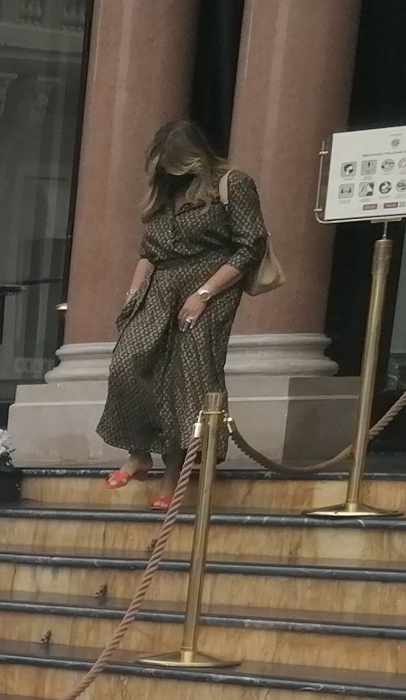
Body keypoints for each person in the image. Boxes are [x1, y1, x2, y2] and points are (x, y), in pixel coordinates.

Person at [100, 119, 270, 505]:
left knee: (189, 379)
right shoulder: (164, 193)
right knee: (127, 363)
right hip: (159, 286)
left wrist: (205, 294)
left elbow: (249, 246)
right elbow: (149, 252)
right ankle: (139, 454)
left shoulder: (233, 183)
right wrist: (132, 294)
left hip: (211, 282)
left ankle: (177, 472)